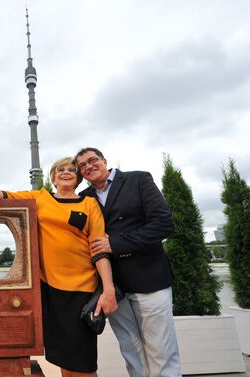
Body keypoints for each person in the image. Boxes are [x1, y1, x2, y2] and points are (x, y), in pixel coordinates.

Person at [0, 157, 118, 377]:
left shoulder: (89, 203)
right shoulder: (40, 198)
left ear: (77, 179)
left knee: (82, 360)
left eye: (72, 170)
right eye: (60, 170)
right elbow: (7, 195)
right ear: (53, 177)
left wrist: (108, 289)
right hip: (48, 289)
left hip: (81, 290)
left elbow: (99, 249)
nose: (66, 172)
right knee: (64, 356)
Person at [74, 147, 181, 377]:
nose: (88, 166)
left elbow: (163, 224)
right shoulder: (84, 198)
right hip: (113, 288)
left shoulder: (138, 179)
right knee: (131, 351)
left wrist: (116, 243)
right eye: (82, 165)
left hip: (149, 278)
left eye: (93, 160)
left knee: (161, 351)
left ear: (104, 161)